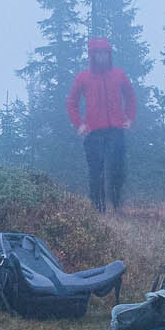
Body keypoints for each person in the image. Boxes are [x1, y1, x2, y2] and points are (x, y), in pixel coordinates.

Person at [65, 36, 137, 210]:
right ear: (92, 56)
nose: (101, 57)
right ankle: (98, 209)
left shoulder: (118, 75)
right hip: (93, 131)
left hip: (116, 130)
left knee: (117, 168)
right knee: (96, 172)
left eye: (105, 53)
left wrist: (129, 118)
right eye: (98, 53)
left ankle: (117, 204)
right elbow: (71, 102)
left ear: (109, 54)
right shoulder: (83, 77)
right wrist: (79, 123)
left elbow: (131, 97)